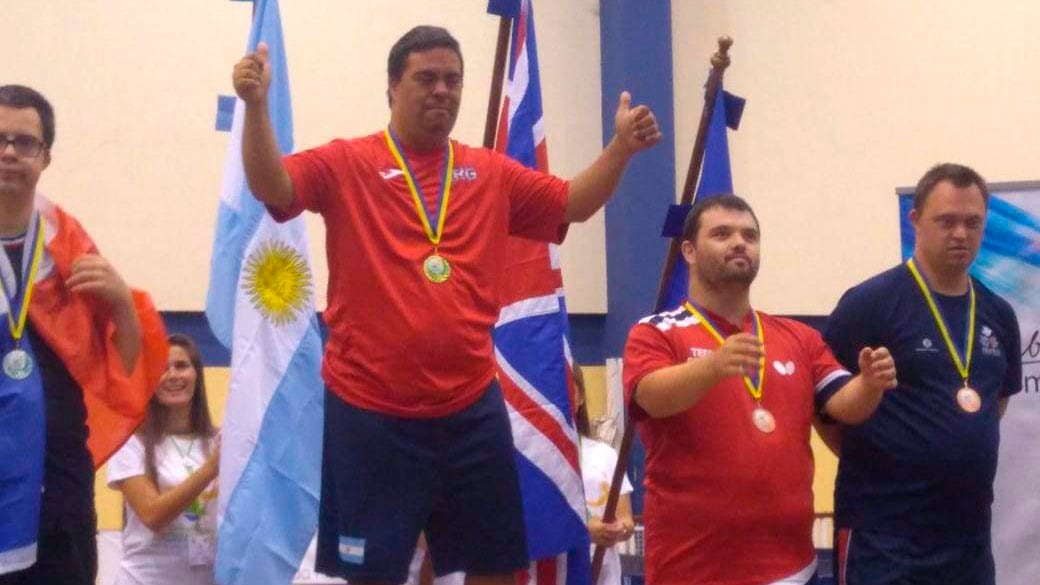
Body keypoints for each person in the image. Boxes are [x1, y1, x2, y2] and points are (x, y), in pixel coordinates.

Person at [231, 24, 661, 585]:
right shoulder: (347, 162)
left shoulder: (489, 172)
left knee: (498, 568)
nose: (442, 91)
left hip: (468, 408)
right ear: (391, 88)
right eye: (426, 78)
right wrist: (257, 108)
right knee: (373, 573)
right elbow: (274, 186)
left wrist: (620, 150)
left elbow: (571, 204)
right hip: (371, 410)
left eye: (453, 80)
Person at [622, 194, 898, 585]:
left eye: (749, 235)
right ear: (689, 250)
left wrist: (869, 385)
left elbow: (844, 407)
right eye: (722, 234)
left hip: (791, 568)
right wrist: (713, 367)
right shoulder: (655, 332)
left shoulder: (798, 337)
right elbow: (650, 396)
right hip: (692, 570)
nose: (739, 242)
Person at [822, 163, 1021, 585]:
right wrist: (880, 459)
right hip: (884, 534)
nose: (961, 234)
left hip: (968, 536)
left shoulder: (999, 315)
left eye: (972, 223)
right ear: (915, 221)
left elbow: (993, 405)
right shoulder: (869, 304)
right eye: (946, 221)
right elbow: (820, 403)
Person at [0, 85, 166, 585]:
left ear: (46, 157)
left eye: (25, 142)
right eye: (0, 139)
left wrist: (120, 300)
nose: (9, 151)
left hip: (59, 477)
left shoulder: (66, 243)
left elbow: (127, 367)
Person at [107, 334, 221, 585]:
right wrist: (212, 468)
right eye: (161, 368)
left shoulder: (220, 442)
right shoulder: (131, 442)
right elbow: (152, 515)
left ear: (197, 375)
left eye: (181, 366)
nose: (172, 376)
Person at [574, 367, 634, 585]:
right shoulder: (538, 460)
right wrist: (584, 532)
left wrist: (620, 529)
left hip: (605, 576)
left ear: (580, 395)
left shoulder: (605, 455)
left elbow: (626, 520)